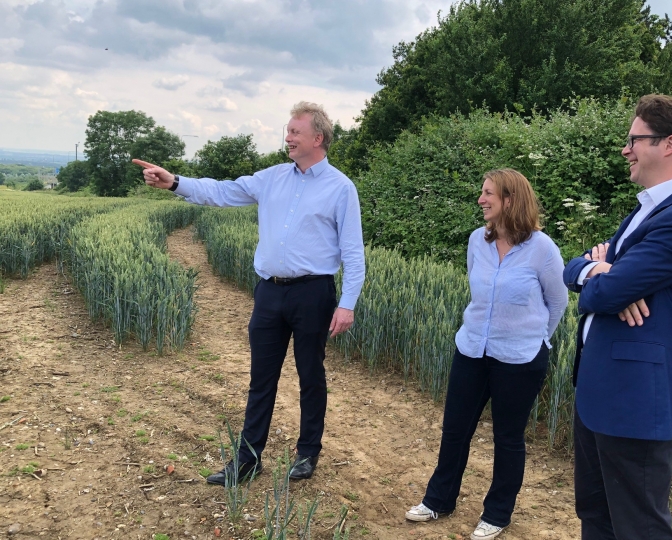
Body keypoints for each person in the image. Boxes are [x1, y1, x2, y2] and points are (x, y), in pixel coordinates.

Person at [133, 101, 365, 484]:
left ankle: (308, 454)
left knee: (311, 375)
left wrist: (347, 304)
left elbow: (353, 252)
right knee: (261, 378)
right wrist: (175, 182)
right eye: (288, 130)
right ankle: (248, 460)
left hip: (314, 294)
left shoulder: (341, 188)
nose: (287, 137)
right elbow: (223, 191)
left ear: (317, 138)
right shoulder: (272, 177)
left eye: (295, 131)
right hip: (270, 293)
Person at [562, 94, 672, 539]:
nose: (626, 149)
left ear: (669, 144)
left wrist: (607, 279)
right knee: (595, 514)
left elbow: (607, 292)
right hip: (599, 392)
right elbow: (577, 268)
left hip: (632, 401)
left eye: (634, 139)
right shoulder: (648, 207)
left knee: (639, 527)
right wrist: (598, 270)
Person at [405, 168, 569, 540]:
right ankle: (438, 501)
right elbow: (475, 287)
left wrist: (536, 340)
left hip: (520, 358)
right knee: (454, 429)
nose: (481, 199)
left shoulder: (543, 249)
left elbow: (557, 302)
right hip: (472, 348)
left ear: (510, 199)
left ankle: (497, 514)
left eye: (488, 193)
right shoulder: (477, 240)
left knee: (507, 438)